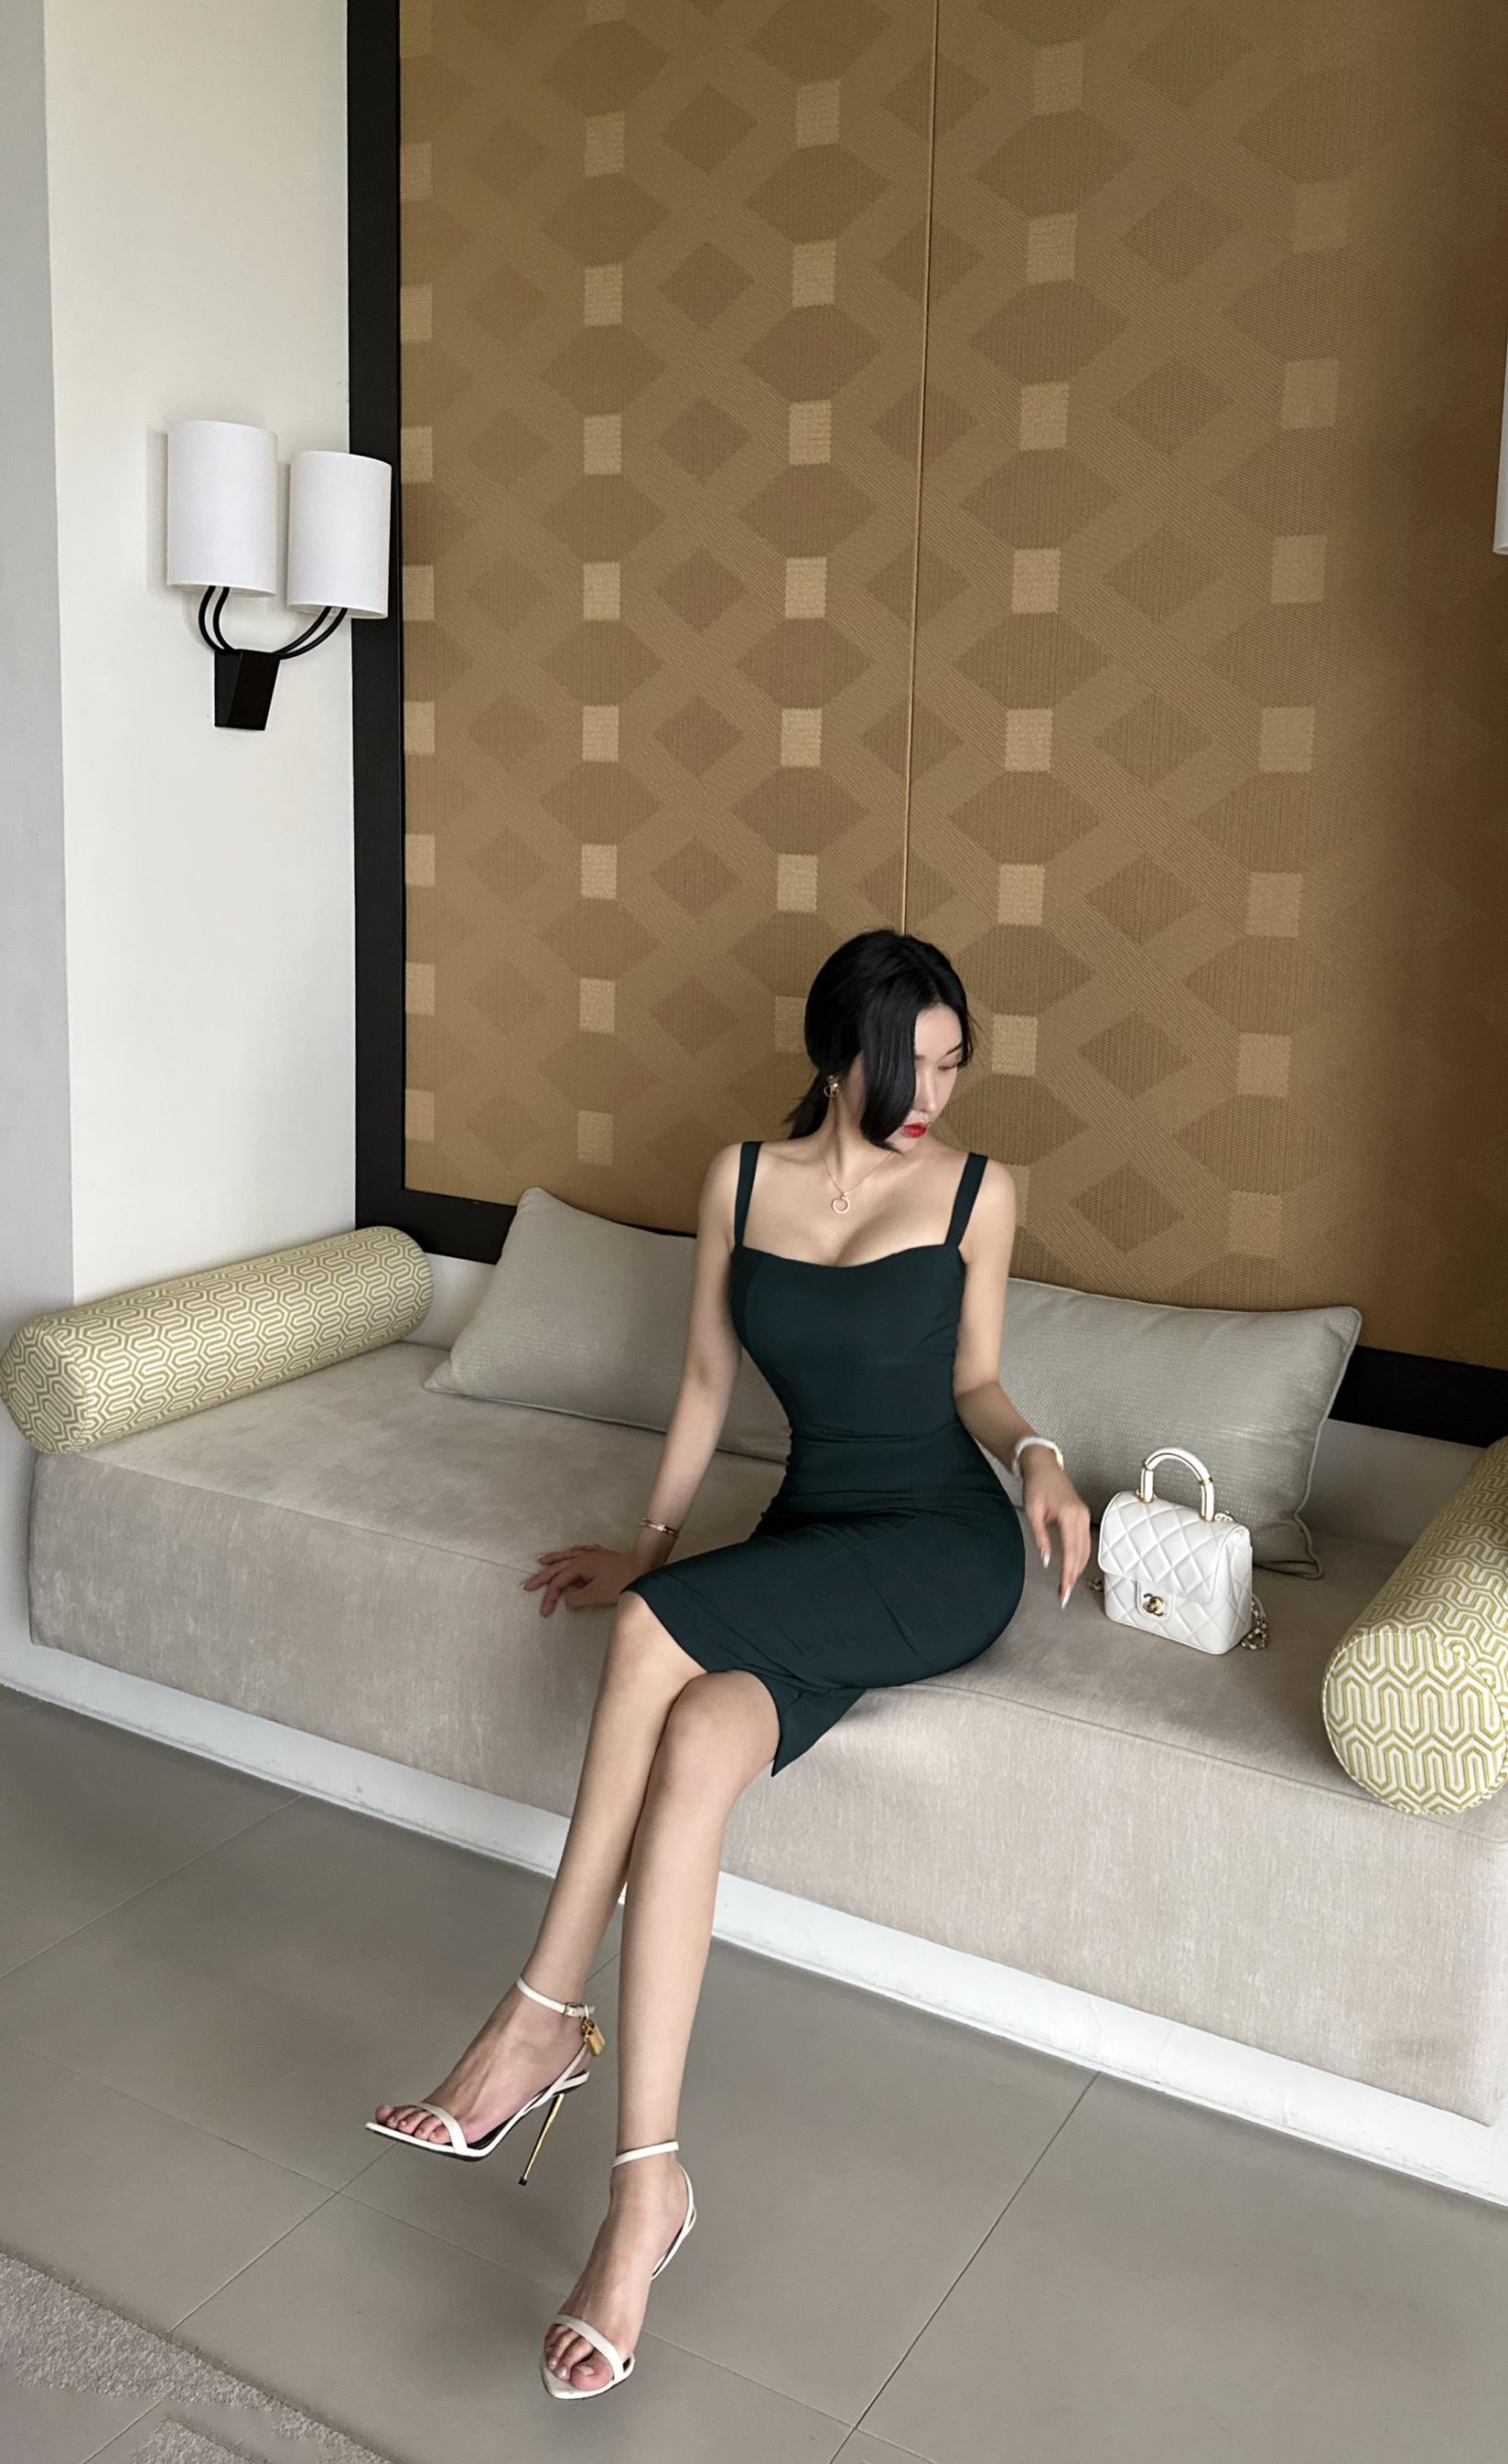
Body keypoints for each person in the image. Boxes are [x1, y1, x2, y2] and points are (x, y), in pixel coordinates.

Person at [366, 928, 1092, 2400]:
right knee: (697, 1740)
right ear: (836, 1054)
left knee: (653, 1633)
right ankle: (648, 2191)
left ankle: (537, 2018)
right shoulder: (740, 1180)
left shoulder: (977, 1190)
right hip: (811, 1529)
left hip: (942, 1547)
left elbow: (973, 1377)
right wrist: (652, 1542)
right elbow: (706, 1376)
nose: (933, 1096)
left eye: (953, 1066)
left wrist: (1038, 1455)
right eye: (908, 1065)